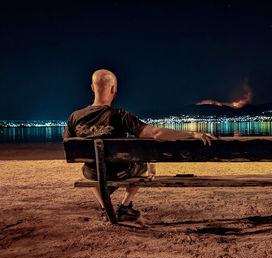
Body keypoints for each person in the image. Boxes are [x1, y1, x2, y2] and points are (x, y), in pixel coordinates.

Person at [63, 69, 216, 221]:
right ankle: (125, 206)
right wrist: (192, 134)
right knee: (141, 163)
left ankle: (105, 207)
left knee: (92, 166)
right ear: (113, 89)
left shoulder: (74, 117)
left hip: (92, 173)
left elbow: (68, 144)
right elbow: (156, 133)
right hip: (120, 172)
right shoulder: (121, 116)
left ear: (92, 87)